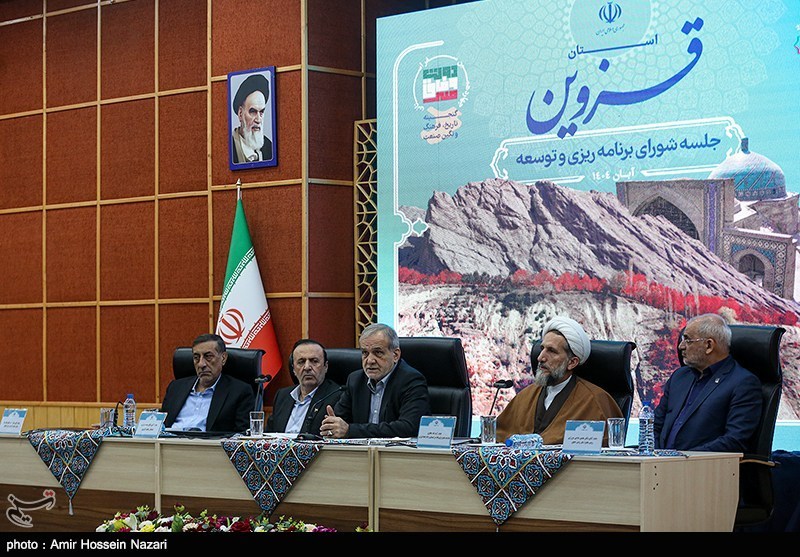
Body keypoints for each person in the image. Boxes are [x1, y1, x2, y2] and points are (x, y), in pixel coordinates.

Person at [496, 315, 622, 445]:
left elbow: (606, 449)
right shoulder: (525, 396)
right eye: (542, 349)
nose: (540, 358)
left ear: (572, 362)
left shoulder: (595, 400)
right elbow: (497, 436)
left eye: (551, 351)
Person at [654, 313, 761, 452]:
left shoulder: (743, 383)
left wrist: (683, 458)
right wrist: (652, 454)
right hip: (659, 462)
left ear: (709, 345)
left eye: (688, 340)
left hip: (701, 463)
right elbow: (655, 425)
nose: (681, 346)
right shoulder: (679, 377)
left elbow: (734, 441)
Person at [320, 323, 430, 439]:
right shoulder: (355, 380)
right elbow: (340, 422)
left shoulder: (411, 380)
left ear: (395, 355)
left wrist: (351, 431)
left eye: (378, 352)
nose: (370, 360)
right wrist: (332, 426)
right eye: (365, 353)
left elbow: (409, 427)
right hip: (358, 449)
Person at [161, 333, 254, 433]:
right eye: (196, 357)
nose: (201, 364)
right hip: (169, 441)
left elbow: (241, 435)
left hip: (208, 442)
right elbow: (161, 425)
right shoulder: (175, 388)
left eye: (208, 356)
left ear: (223, 358)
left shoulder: (239, 392)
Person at [266, 339, 342, 437]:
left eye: (314, 361)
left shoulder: (337, 396)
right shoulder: (282, 396)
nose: (307, 367)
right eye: (301, 362)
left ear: (325, 366)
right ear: (293, 369)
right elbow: (268, 435)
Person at [230, 73, 274, 164]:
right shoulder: (229, 147)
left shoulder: (269, 148)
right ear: (240, 114)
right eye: (253, 111)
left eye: (261, 112)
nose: (258, 119)